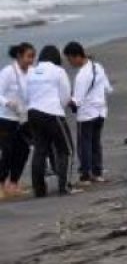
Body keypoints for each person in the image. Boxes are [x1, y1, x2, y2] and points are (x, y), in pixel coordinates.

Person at [24, 45, 74, 197]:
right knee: (66, 150)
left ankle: (39, 189)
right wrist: (60, 108)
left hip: (33, 113)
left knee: (40, 150)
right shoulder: (58, 71)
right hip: (52, 112)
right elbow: (66, 95)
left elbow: (26, 94)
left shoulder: (31, 72)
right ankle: (64, 186)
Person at [63, 41, 113, 185]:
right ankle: (97, 173)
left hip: (86, 114)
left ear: (77, 56)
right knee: (96, 142)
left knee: (84, 144)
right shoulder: (98, 67)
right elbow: (108, 88)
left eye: (70, 59)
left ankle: (85, 175)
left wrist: (67, 100)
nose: (70, 62)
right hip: (100, 111)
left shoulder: (81, 76)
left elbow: (77, 100)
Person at [0, 43, 34, 198]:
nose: (31, 60)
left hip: (24, 118)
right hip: (6, 118)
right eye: (29, 56)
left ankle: (13, 183)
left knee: (23, 150)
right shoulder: (8, 72)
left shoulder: (32, 72)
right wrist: (7, 102)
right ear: (19, 56)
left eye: (33, 56)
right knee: (7, 152)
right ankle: (0, 184)